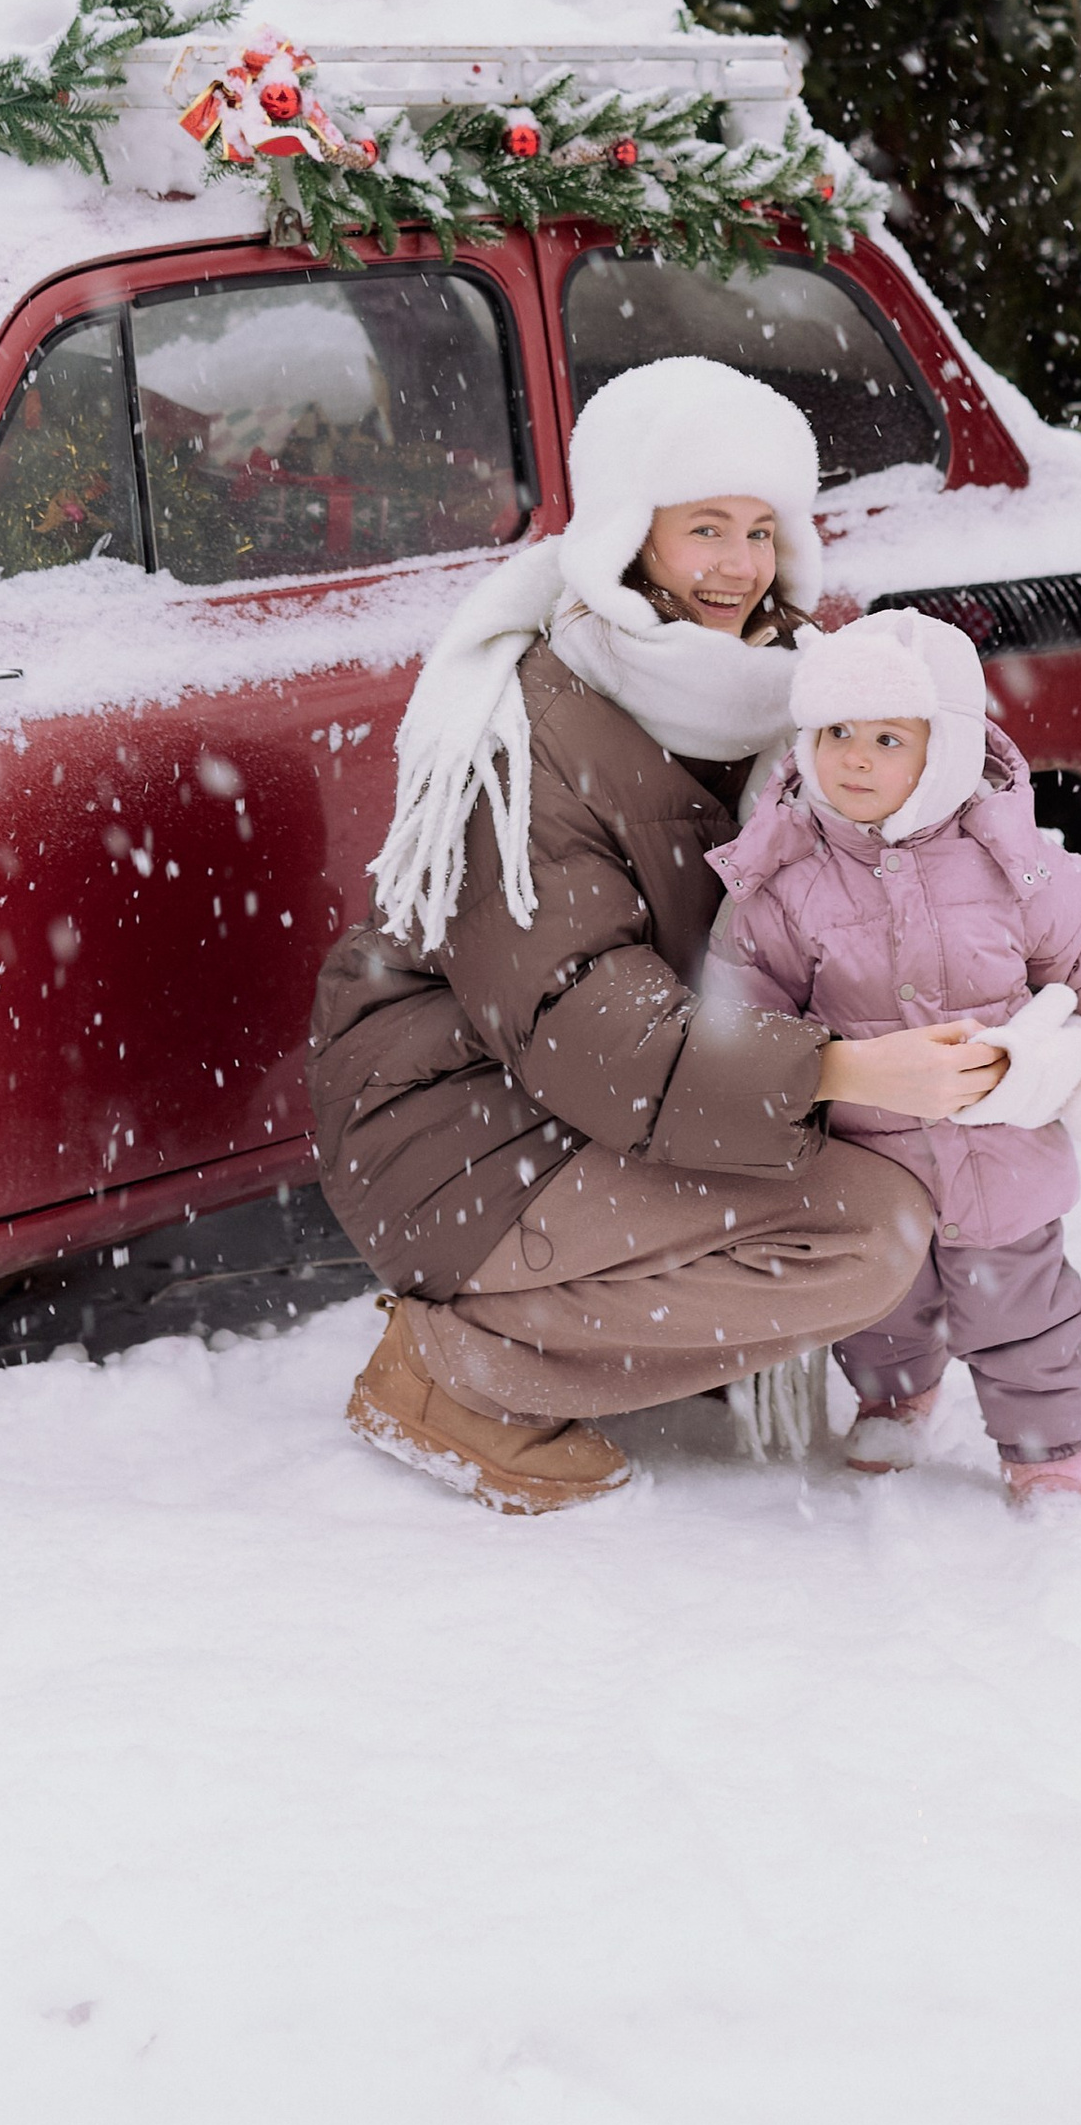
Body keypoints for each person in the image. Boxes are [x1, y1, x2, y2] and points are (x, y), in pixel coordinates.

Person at [308, 355, 998, 1514]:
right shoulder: (526, 725)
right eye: (705, 528)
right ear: (633, 534)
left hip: (597, 1090)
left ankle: (594, 1326)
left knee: (881, 1169)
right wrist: (834, 1067)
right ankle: (456, 1374)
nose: (738, 565)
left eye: (762, 530)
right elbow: (579, 1016)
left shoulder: (779, 693)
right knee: (866, 1229)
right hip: (458, 1117)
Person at [707, 605, 1081, 1502]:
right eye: (837, 732)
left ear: (949, 749)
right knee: (880, 1303)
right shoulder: (790, 881)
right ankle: (894, 1396)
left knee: (1023, 1313)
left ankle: (1044, 1450)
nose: (854, 758)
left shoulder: (1010, 862)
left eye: (889, 738)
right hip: (868, 1157)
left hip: (1004, 1151)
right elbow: (746, 995)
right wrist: (766, 1091)